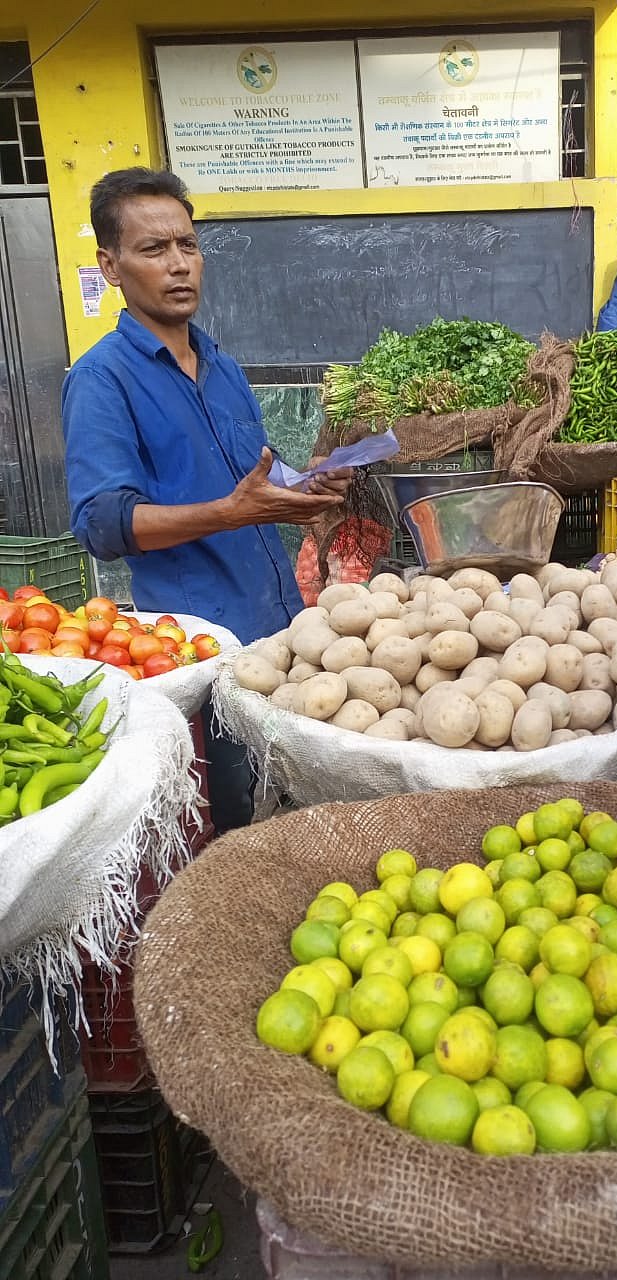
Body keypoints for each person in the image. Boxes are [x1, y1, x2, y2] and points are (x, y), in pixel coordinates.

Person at [61, 167, 350, 829]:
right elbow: (103, 523)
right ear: (111, 265)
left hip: (283, 631)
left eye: (187, 246)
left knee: (301, 815)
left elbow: (253, 482)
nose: (178, 265)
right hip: (205, 660)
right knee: (239, 825)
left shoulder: (222, 366)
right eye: (153, 250)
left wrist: (306, 488)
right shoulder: (102, 379)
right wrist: (232, 513)